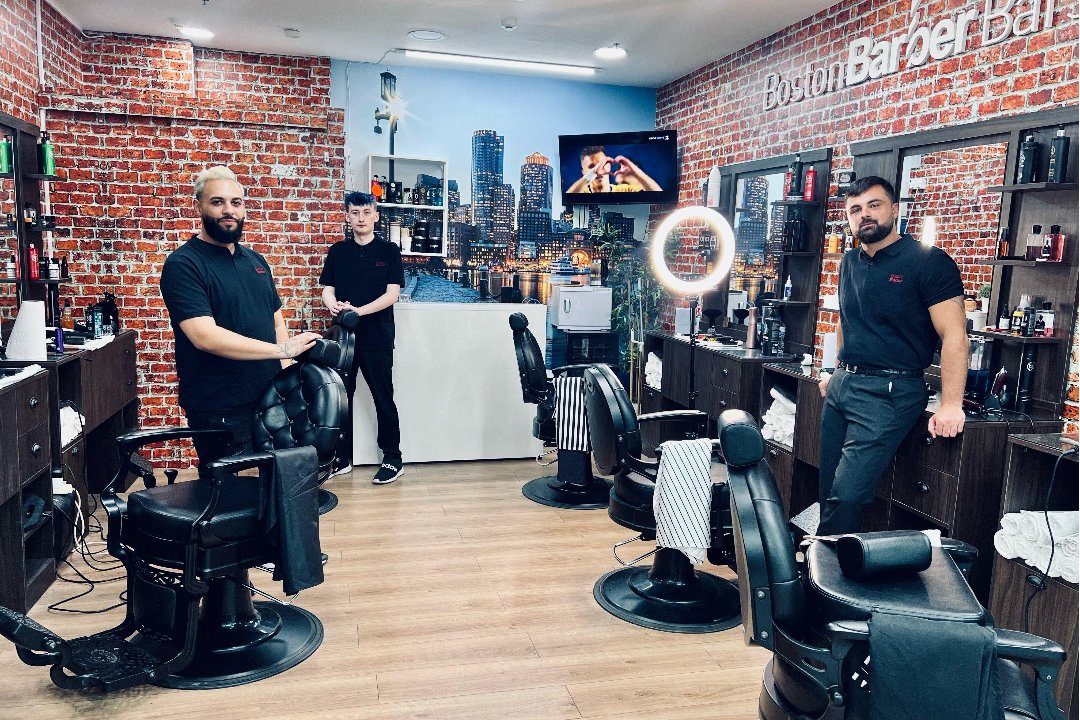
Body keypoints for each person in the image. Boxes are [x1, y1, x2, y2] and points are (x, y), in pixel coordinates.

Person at [816, 176, 967, 536]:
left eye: (874, 205)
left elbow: (954, 335)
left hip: (889, 391)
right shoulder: (850, 261)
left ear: (895, 209)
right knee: (828, 491)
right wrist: (834, 370)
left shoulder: (928, 262)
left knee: (847, 495)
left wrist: (951, 403)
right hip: (843, 386)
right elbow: (845, 322)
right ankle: (826, 569)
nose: (864, 215)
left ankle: (826, 583)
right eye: (855, 209)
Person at [160, 166, 322, 469]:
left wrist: (287, 383)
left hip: (268, 399)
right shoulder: (183, 264)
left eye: (236, 202)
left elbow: (276, 322)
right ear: (198, 206)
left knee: (277, 494)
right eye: (217, 202)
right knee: (232, 501)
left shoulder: (256, 262)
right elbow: (204, 336)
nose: (228, 211)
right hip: (219, 406)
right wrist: (282, 351)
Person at [320, 191, 405, 485]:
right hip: (342, 338)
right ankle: (341, 457)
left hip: (377, 338)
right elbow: (327, 288)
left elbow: (392, 295)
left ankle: (393, 457)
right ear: (347, 216)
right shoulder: (338, 251)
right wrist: (331, 304)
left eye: (366, 212)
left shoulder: (389, 251)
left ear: (376, 216)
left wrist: (358, 311)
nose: (361, 218)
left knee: (383, 397)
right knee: (340, 399)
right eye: (355, 212)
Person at [567, 145, 662, 194]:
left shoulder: (625, 190)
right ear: (584, 172)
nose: (599, 170)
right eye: (592, 167)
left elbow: (659, 194)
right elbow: (568, 196)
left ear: (609, 165)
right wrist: (594, 172)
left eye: (602, 164)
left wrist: (634, 171)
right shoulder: (581, 193)